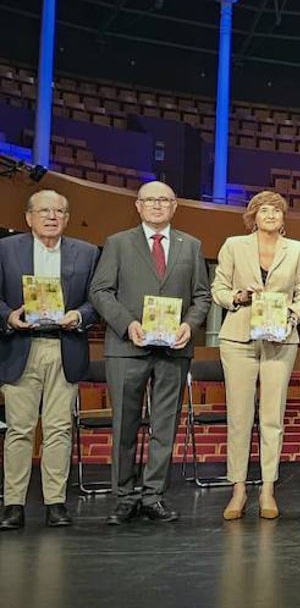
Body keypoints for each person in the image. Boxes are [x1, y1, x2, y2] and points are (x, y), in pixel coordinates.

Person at [89, 181, 211, 525]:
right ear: (138, 206)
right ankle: (124, 497)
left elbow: (202, 295)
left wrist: (190, 324)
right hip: (128, 348)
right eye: (150, 200)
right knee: (125, 425)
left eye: (164, 200)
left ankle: (154, 495)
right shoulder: (118, 243)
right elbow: (100, 291)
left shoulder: (191, 246)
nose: (157, 205)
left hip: (174, 349)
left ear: (174, 207)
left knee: (164, 426)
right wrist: (127, 324)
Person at [0, 190, 99, 530]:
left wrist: (79, 315)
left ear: (67, 218)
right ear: (28, 217)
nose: (52, 216)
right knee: (19, 430)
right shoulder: (5, 249)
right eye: (44, 210)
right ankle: (14, 504)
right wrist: (7, 317)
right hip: (20, 347)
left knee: (59, 429)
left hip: (64, 346)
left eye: (59, 211)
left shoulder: (86, 253)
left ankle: (55, 503)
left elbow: (95, 301)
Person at [210, 191, 300, 520]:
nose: (270, 215)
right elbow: (219, 289)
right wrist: (238, 297)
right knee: (239, 417)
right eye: (264, 210)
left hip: (280, 338)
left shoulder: (298, 250)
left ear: (284, 218)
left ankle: (268, 487)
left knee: (272, 417)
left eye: (276, 210)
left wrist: (292, 315)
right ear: (253, 216)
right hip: (239, 337)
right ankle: (238, 488)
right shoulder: (232, 245)